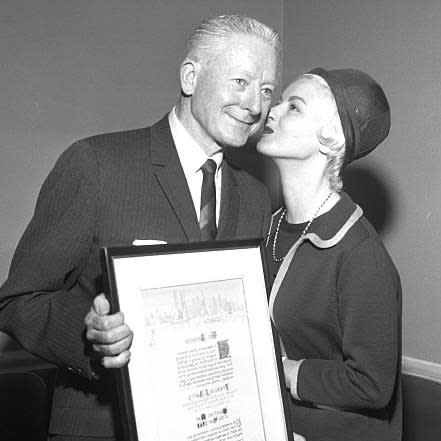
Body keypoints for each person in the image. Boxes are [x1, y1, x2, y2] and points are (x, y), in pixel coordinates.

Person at [0, 15, 280, 441]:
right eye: (240, 82)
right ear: (191, 76)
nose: (255, 105)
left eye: (265, 90)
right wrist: (92, 338)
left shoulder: (256, 197)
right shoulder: (97, 164)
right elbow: (18, 300)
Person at [257, 68, 402, 441]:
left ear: (331, 137)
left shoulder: (360, 254)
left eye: (294, 107)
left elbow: (372, 384)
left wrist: (286, 371)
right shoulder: (265, 228)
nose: (271, 110)